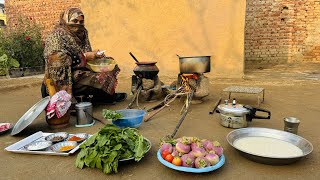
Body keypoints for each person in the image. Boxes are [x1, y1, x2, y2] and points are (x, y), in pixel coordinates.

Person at [42, 7, 127, 105]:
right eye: (74, 21)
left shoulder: (83, 32)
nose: (78, 24)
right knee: (98, 78)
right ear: (65, 20)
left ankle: (105, 96)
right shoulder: (56, 36)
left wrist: (95, 55)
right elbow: (57, 60)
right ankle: (66, 101)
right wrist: (84, 57)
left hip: (81, 68)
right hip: (63, 77)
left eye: (81, 22)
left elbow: (86, 52)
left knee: (109, 65)